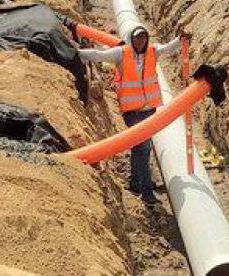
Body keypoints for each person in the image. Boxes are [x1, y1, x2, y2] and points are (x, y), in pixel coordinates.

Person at [78, 26, 183, 204]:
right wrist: (77, 52)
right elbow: (99, 55)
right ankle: (147, 192)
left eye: (143, 38)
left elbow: (168, 48)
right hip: (132, 111)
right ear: (131, 40)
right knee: (143, 148)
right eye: (137, 38)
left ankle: (135, 183)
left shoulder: (153, 51)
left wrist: (181, 40)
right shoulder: (121, 54)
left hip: (149, 109)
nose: (141, 41)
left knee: (140, 147)